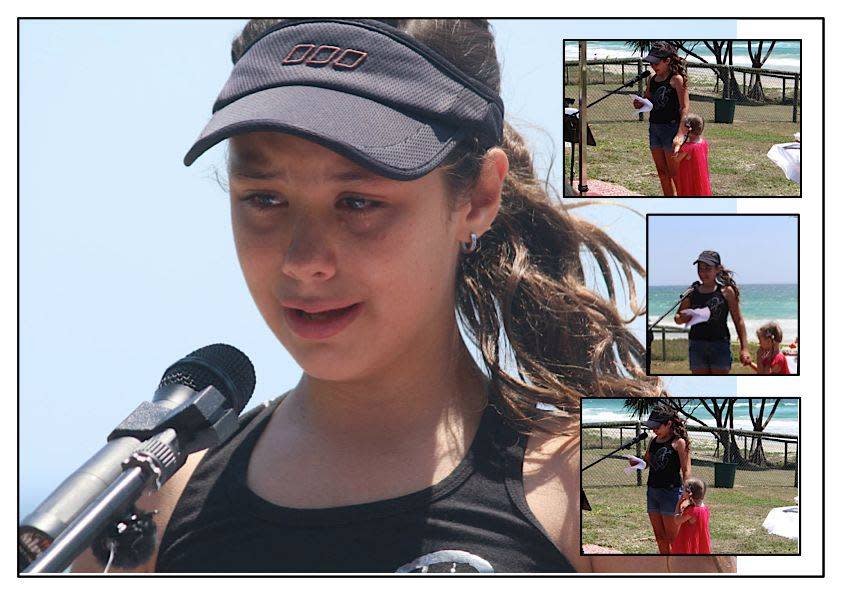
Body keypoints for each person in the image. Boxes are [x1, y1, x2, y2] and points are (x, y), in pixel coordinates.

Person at [72, 19, 731, 574]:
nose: (305, 260)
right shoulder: (157, 501)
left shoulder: (594, 490)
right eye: (264, 198)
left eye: (358, 201)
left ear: (477, 196)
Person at [674, 250, 751, 374]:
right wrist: (685, 317)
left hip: (719, 345)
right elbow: (677, 318)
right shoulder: (692, 291)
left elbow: (738, 320)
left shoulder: (726, 291)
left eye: (707, 268)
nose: (702, 273)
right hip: (697, 345)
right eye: (700, 269)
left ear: (718, 269)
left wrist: (744, 348)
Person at [632, 41, 690, 196]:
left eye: (656, 62)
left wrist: (680, 133)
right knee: (662, 174)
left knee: (675, 174)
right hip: (655, 128)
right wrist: (640, 103)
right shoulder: (651, 79)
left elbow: (684, 107)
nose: (653, 66)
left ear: (667, 61)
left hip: (671, 129)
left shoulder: (677, 79)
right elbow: (649, 100)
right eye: (651, 62)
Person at [640, 405, 692, 555]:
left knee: (673, 539)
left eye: (657, 426)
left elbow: (686, 470)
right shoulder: (653, 441)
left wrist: (685, 496)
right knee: (660, 537)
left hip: (671, 493)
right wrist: (637, 463)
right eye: (652, 427)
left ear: (669, 423)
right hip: (653, 492)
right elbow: (647, 463)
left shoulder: (679, 443)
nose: (654, 430)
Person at [673, 114, 711, 196]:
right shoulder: (704, 143)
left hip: (688, 177)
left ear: (688, 129)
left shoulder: (687, 147)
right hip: (700, 177)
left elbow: (676, 159)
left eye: (682, 126)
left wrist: (677, 145)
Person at [672, 477, 711, 554]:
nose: (682, 491)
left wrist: (678, 504)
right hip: (701, 542)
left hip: (690, 544)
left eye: (683, 489)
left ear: (689, 493)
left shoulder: (692, 511)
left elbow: (676, 520)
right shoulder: (705, 508)